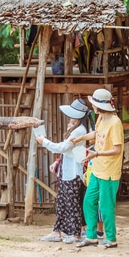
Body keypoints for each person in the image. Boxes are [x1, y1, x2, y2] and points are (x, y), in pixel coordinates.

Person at [71, 88, 123, 249]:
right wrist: (80, 138)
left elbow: (117, 149)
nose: (92, 106)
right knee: (88, 202)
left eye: (93, 103)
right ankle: (92, 236)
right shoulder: (101, 118)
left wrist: (96, 153)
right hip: (97, 169)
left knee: (106, 207)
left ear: (100, 106)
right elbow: (96, 134)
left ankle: (112, 239)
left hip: (109, 172)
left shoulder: (115, 123)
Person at [36, 99, 90, 244]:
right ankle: (57, 232)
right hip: (67, 172)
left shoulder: (79, 131)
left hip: (73, 173)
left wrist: (44, 142)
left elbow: (62, 148)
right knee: (63, 203)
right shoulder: (78, 129)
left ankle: (76, 233)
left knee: (72, 203)